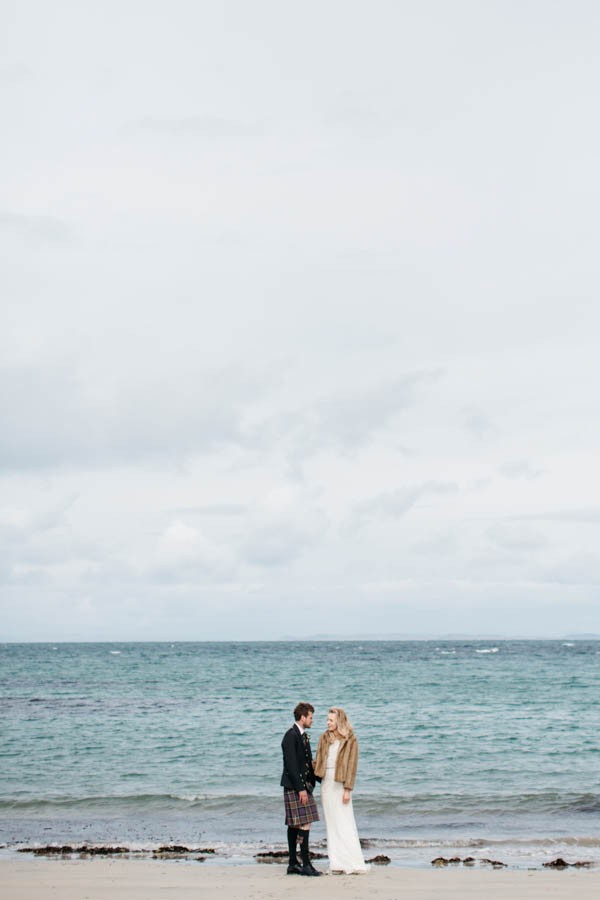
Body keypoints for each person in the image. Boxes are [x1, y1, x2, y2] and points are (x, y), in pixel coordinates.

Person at [313, 707, 369, 874]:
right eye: (327, 720)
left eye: (330, 720)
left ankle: (352, 861)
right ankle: (336, 862)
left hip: (340, 783)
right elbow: (318, 759)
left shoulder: (351, 739)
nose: (327, 723)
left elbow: (352, 765)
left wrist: (347, 789)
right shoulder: (324, 737)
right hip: (326, 783)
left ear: (339, 721)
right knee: (331, 823)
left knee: (345, 821)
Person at [280, 701, 322, 876]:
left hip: (303, 786)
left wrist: (320, 779)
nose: (312, 720)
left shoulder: (302, 735)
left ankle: (292, 863)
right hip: (296, 787)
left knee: (295, 824)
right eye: (311, 717)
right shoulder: (291, 736)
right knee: (304, 822)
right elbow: (291, 765)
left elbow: (307, 764)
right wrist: (301, 789)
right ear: (303, 717)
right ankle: (305, 863)